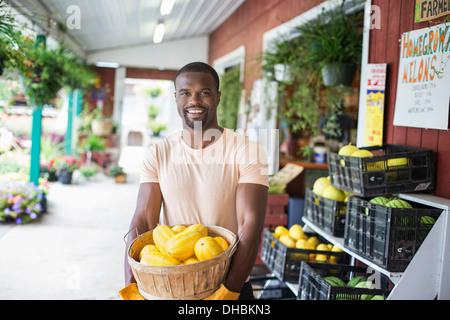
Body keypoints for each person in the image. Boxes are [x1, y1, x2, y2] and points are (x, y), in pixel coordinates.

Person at [120, 62, 269, 300]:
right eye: (185, 93)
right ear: (176, 98)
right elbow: (144, 220)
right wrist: (132, 284)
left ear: (218, 97)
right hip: (172, 284)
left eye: (204, 92)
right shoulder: (158, 153)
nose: (194, 101)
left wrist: (228, 291)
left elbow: (250, 224)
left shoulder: (247, 151)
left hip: (231, 280)